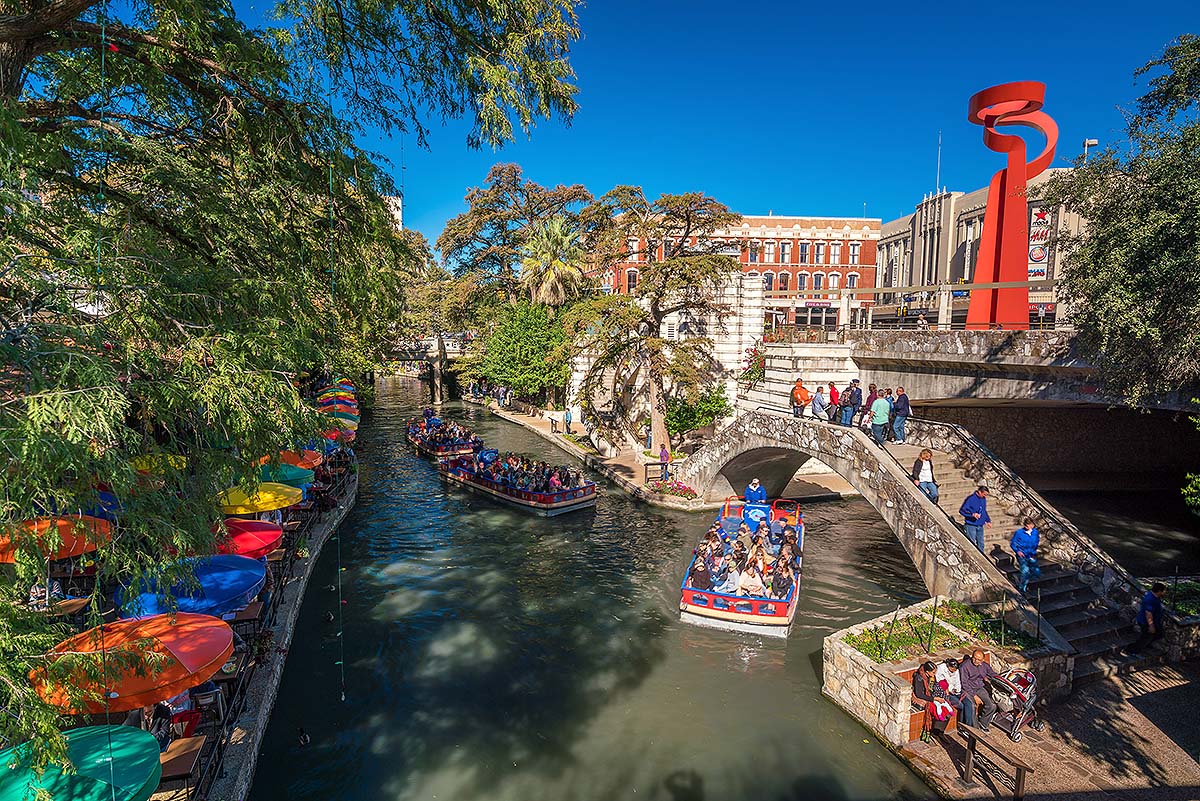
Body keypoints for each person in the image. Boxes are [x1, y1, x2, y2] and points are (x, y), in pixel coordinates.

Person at [958, 649, 998, 731]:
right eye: (974, 658)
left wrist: (1000, 679)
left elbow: (992, 673)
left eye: (978, 659)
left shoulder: (984, 665)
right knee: (971, 706)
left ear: (982, 660)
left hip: (979, 687)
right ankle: (974, 729)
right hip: (967, 689)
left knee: (992, 705)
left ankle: (983, 724)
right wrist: (974, 696)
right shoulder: (965, 666)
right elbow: (964, 683)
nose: (976, 661)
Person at [911, 661, 950, 738]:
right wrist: (934, 699)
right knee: (940, 711)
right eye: (933, 672)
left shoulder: (930, 677)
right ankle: (935, 732)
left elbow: (935, 685)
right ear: (927, 672)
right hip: (926, 698)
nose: (934, 674)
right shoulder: (919, 678)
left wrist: (944, 688)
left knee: (947, 708)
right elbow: (919, 694)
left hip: (932, 695)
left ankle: (940, 731)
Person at [1130, 582, 1168, 654]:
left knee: (1159, 634)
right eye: (1164, 591)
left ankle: (1143, 645)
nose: (1165, 592)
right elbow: (1148, 613)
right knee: (1146, 637)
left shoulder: (1154, 597)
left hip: (1152, 621)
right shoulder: (1150, 599)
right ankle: (1133, 650)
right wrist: (1151, 626)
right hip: (1145, 622)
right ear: (1159, 591)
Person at [936, 657, 975, 726]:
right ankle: (962, 725)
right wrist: (951, 689)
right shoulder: (941, 669)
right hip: (946, 692)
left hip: (956, 691)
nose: (954, 671)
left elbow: (957, 681)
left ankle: (969, 726)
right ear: (948, 666)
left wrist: (957, 690)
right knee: (961, 706)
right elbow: (941, 682)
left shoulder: (956, 671)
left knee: (968, 704)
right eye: (952, 670)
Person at [1010, 518, 1041, 594]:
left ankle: (1019, 577)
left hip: (1031, 555)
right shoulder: (1019, 533)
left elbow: (1037, 541)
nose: (1027, 527)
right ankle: (1022, 589)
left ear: (1032, 525)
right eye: (1026, 525)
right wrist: (1018, 551)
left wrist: (1034, 550)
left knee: (1037, 573)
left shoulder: (1035, 532)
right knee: (1025, 572)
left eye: (1029, 525)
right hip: (1022, 555)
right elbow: (1013, 543)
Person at [958, 485, 992, 554]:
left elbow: (984, 511)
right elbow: (962, 510)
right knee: (971, 543)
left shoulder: (983, 499)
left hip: (980, 525)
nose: (985, 496)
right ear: (979, 492)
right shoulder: (970, 499)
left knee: (981, 544)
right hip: (971, 525)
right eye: (984, 494)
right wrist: (972, 515)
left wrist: (987, 520)